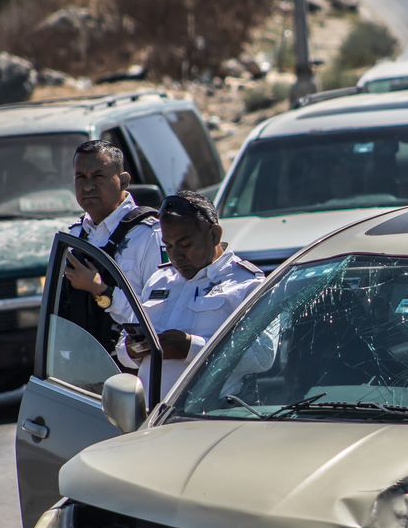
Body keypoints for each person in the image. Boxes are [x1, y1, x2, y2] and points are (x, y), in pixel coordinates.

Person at [119, 191, 271, 396]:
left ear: (214, 234)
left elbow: (263, 355)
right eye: (169, 246)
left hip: (209, 417)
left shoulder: (247, 283)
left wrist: (190, 347)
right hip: (151, 417)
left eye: (185, 244)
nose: (176, 255)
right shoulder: (158, 280)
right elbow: (123, 348)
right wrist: (133, 348)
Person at [61, 140, 164, 329]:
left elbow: (158, 320)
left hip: (131, 357)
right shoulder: (74, 236)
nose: (87, 187)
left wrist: (101, 291)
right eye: (81, 177)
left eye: (98, 176)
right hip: (81, 355)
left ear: (123, 181)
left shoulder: (150, 235)